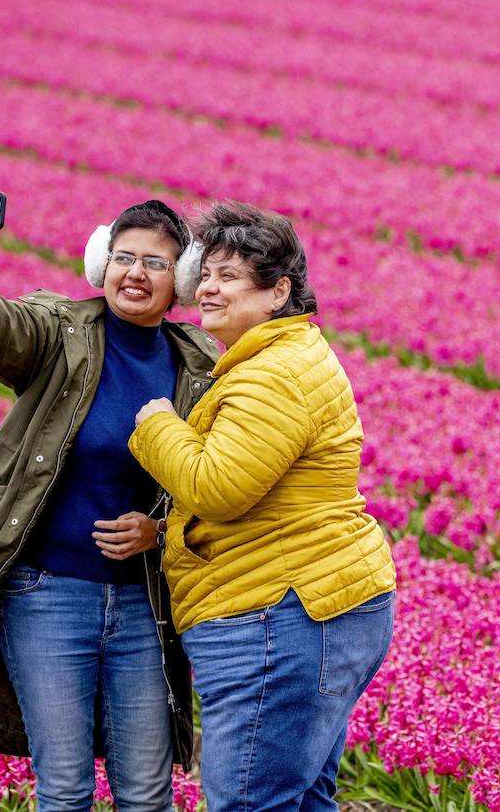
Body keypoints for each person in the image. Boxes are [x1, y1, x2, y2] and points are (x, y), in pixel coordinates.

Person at [0, 188, 218, 812]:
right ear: (102, 262)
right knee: (66, 787)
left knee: (148, 792)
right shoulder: (61, 332)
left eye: (156, 263)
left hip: (143, 605)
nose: (136, 273)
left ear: (181, 278)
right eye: (125, 257)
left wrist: (159, 529)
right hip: (47, 597)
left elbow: (215, 476)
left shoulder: (202, 365)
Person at [128, 201, 396, 812]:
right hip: (317, 602)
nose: (209, 289)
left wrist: (157, 425)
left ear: (279, 292)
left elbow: (220, 487)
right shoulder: (281, 358)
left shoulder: (271, 373)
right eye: (208, 274)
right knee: (300, 799)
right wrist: (167, 530)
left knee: (251, 801)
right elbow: (264, 494)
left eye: (229, 275)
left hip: (278, 615)